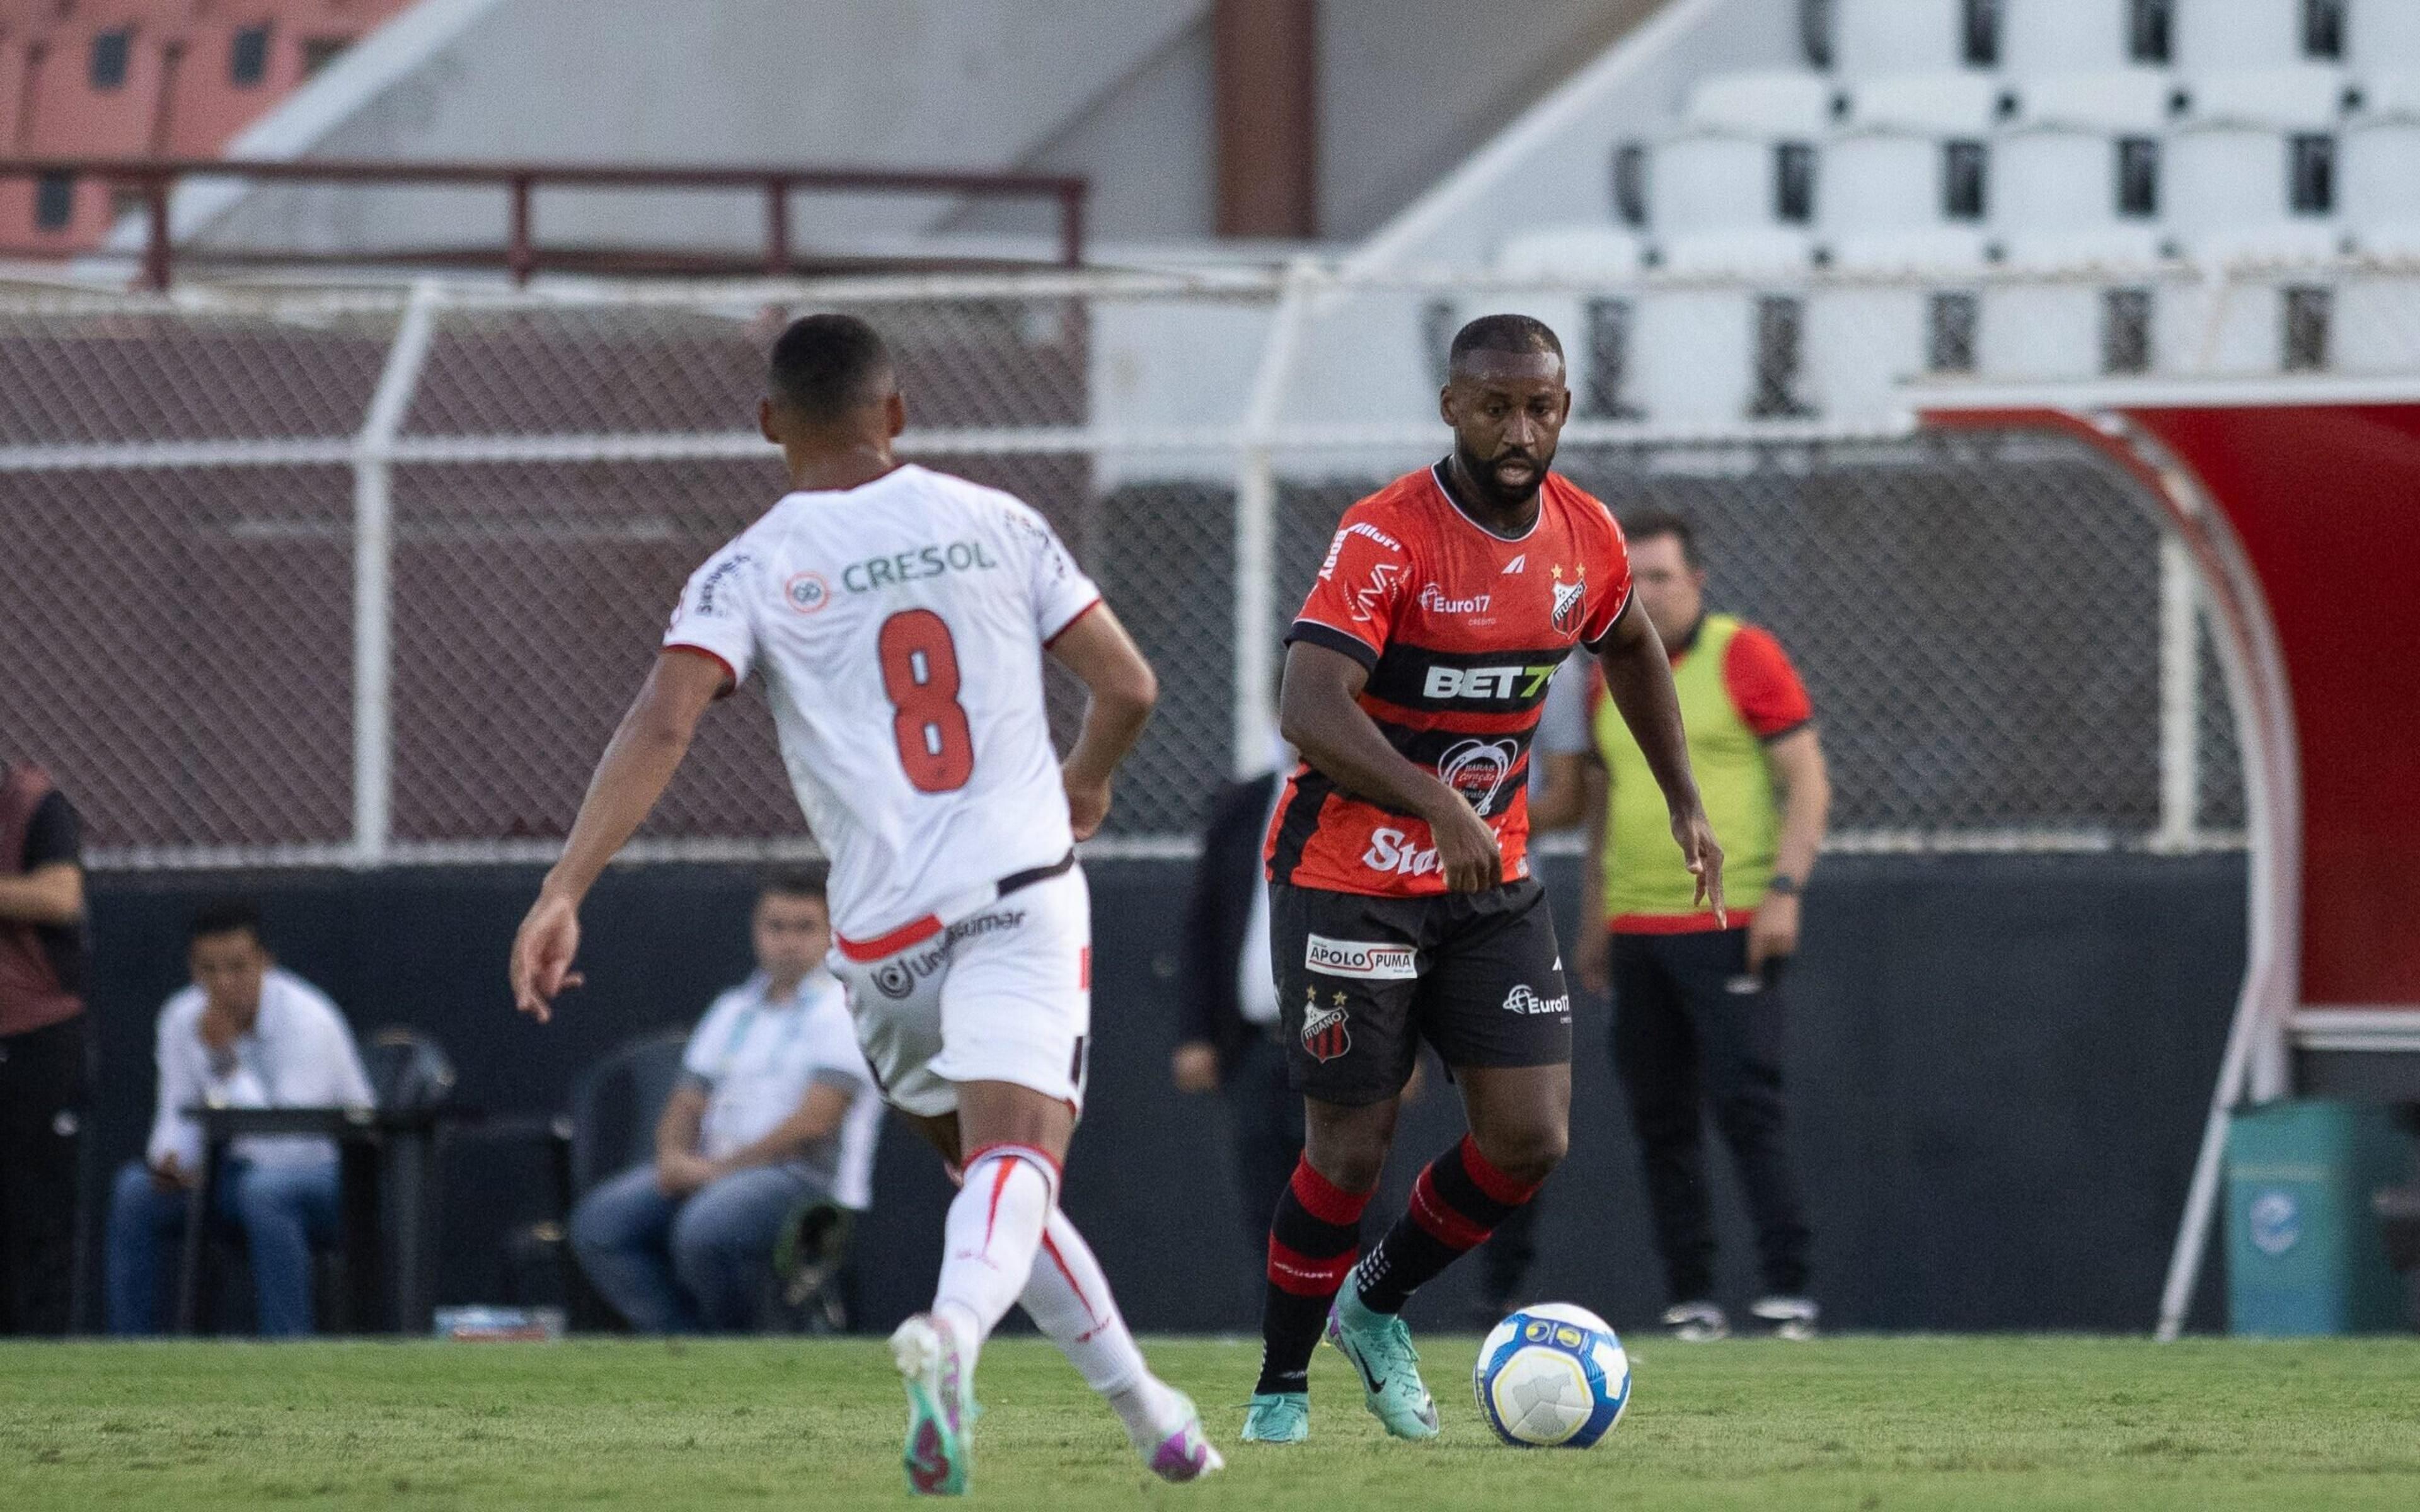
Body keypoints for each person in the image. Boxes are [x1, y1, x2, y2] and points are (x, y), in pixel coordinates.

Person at [509, 313, 1221, 1494]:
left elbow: (666, 719)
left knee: (993, 1184)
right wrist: (1085, 778)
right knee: (1019, 1169)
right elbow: (1129, 686)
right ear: (895, 414)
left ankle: (1154, 1419)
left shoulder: (745, 566)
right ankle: (951, 1337)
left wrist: (564, 886)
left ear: (769, 427)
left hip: (884, 943)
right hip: (1017, 894)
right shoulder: (998, 519)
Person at [1243, 314, 1723, 1446]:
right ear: (1453, 408)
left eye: (1542, 407)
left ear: (1564, 409)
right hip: (1348, 875)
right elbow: (1308, 705)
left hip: (1488, 881)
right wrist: (1439, 800)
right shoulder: (1386, 537)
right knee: (1349, 1149)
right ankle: (1280, 1387)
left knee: (1531, 1137)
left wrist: (1682, 796)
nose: (1521, 430)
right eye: (1498, 407)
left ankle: (1376, 1302)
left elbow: (1635, 647)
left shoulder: (1585, 533)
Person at [1535, 509, 1829, 1341]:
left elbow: (1808, 783)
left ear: (1697, 582)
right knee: (1660, 1120)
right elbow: (1601, 809)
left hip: (1729, 920)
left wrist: (1784, 890)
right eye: (1633, 580)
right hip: (1636, 930)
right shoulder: (1603, 674)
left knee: (1747, 1107)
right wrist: (1594, 922)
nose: (1648, 595)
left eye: (1662, 578)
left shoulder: (1744, 654)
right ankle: (1692, 1296)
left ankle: (1787, 1290)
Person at [570, 870, 883, 1332]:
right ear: (756, 931)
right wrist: (673, 1158)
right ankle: (683, 1345)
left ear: (832, 934)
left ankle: (735, 1345)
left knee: (706, 1228)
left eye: (804, 927)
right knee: (602, 1224)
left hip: (803, 1180)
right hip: (712, 1170)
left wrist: (720, 1172)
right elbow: (686, 1102)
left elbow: (815, 1124)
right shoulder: (734, 1008)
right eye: (775, 927)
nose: (788, 941)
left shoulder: (845, 1008)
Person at [107, 901, 374, 1336]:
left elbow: (284, 1149)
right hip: (238, 1175)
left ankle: (289, 1353)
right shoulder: (180, 1017)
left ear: (265, 963)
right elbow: (176, 1111)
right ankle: (132, 1354)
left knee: (266, 1192)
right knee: (136, 1191)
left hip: (334, 1181)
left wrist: (227, 1062)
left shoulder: (310, 1021)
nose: (222, 984)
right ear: (192, 968)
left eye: (236, 968)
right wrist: (171, 1160)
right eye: (207, 970)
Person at [1172, 759, 1303, 1256]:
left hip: (1342, 1042)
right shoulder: (1241, 804)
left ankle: (1364, 1322)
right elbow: (1203, 923)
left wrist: (1406, 1048)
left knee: (1350, 1197)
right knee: (1265, 1205)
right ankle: (1283, 1330)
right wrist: (1195, 1033)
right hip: (1253, 1044)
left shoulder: (1371, 803)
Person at [0, 759, 88, 1336]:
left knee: (35, 1216)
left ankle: (42, 1370)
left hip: (35, 1034)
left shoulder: (32, 800)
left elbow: (61, 897)